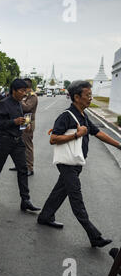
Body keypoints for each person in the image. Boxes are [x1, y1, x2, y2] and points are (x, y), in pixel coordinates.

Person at [37, 80, 121, 248]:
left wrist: (119, 145)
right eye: (88, 95)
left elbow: (98, 133)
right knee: (76, 198)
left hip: (76, 162)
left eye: (91, 95)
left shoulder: (83, 115)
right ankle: (94, 236)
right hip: (68, 163)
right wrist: (76, 135)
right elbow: (53, 139)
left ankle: (45, 216)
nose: (90, 98)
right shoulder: (66, 116)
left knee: (61, 191)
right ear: (76, 97)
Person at [0, 79, 40, 213]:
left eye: (25, 91)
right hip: (4, 141)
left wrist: (25, 126)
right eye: (21, 91)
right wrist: (13, 122)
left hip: (17, 141)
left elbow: (22, 121)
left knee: (23, 169)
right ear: (13, 90)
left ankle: (25, 200)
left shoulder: (19, 104)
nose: (24, 94)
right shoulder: (3, 104)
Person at [9, 78, 38, 176]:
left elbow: (27, 108)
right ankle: (19, 165)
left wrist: (19, 99)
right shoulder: (25, 95)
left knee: (27, 145)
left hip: (28, 121)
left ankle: (29, 167)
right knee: (19, 145)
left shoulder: (32, 96)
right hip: (20, 120)